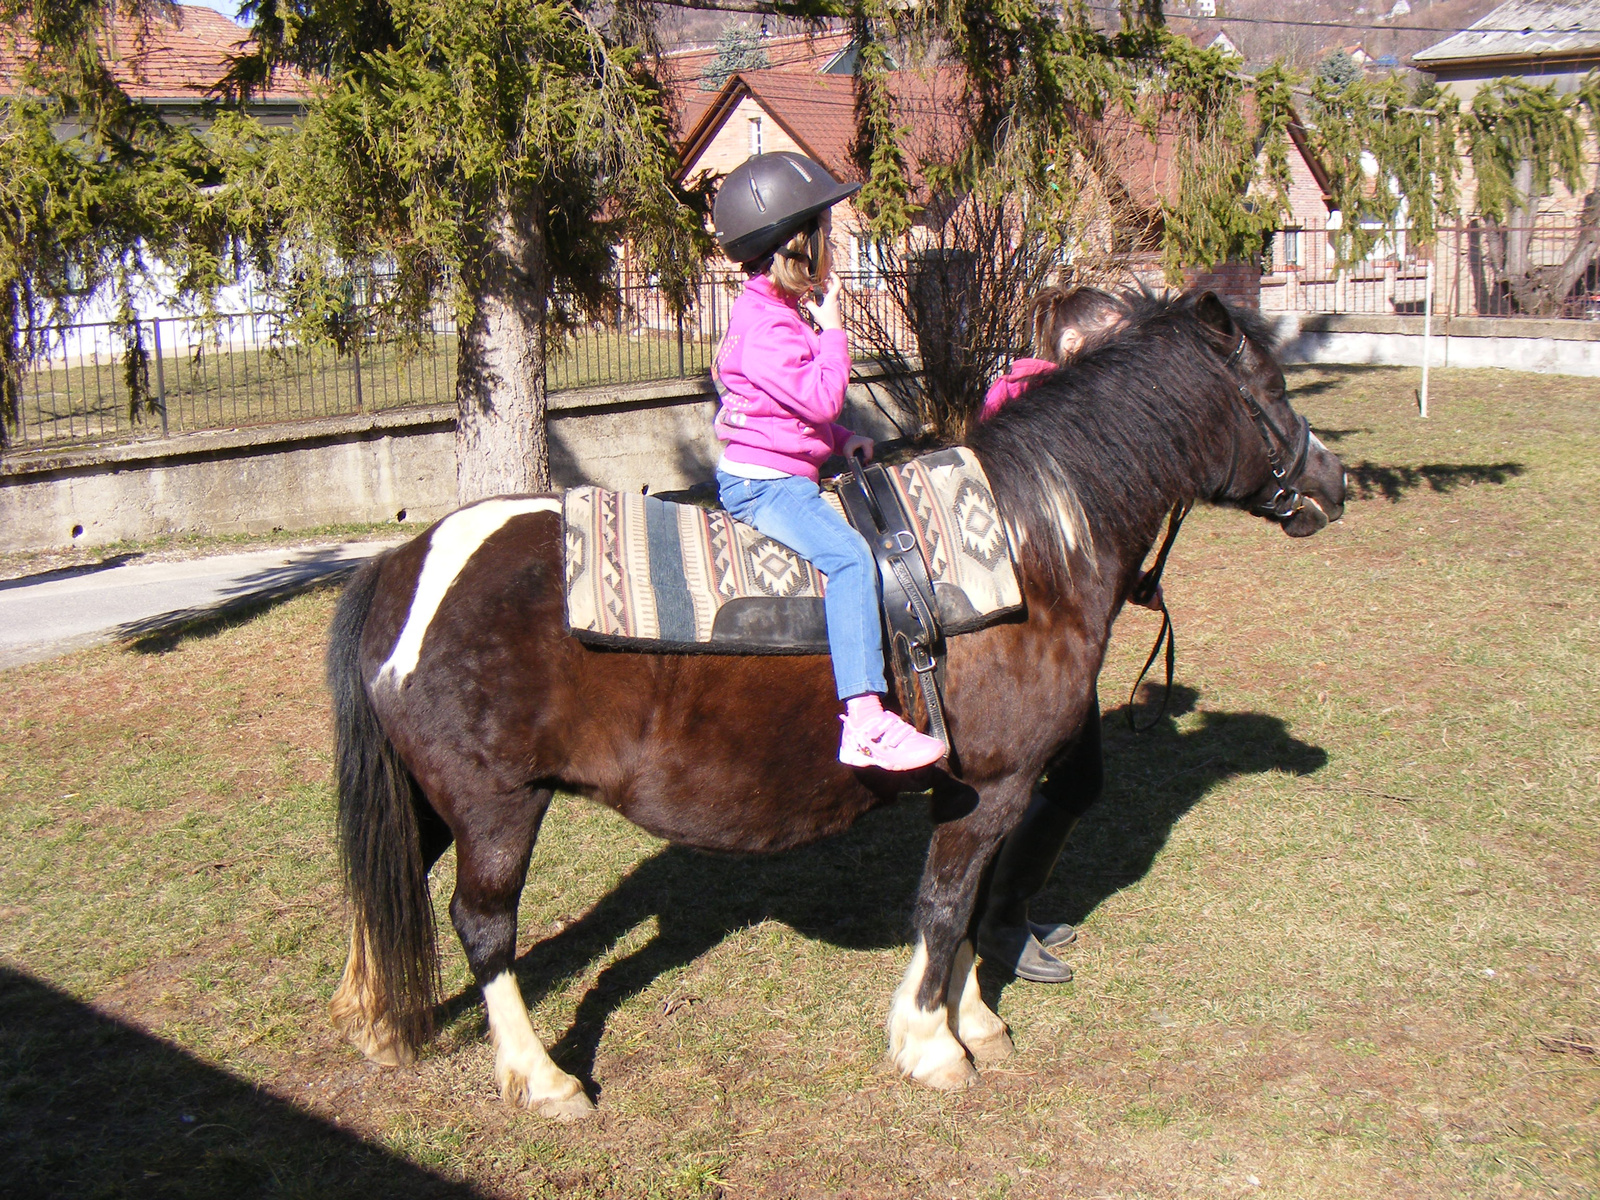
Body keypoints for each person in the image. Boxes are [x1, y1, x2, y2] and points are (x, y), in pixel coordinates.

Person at [710, 152, 946, 773]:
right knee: (847, 560)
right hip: (765, 487)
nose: (834, 245)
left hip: (774, 465)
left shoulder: (774, 314)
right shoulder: (770, 326)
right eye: (826, 234)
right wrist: (835, 327)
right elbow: (818, 394)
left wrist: (841, 440)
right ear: (798, 246)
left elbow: (787, 410)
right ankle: (865, 722)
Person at [974, 283, 1154, 984]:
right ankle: (999, 920)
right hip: (1031, 635)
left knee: (1063, 779)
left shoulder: (1042, 398)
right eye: (1119, 339)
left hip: (1048, 623)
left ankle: (1004, 909)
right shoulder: (1043, 406)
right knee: (1068, 779)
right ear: (1075, 348)